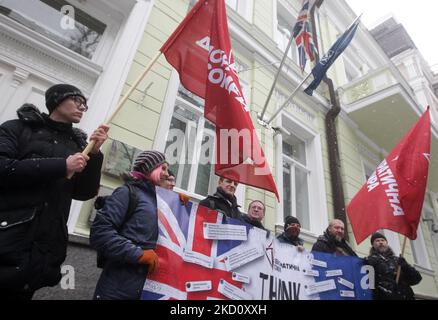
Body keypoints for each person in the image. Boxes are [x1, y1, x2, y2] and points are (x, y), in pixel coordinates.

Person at [0, 84, 108, 299]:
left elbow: (83, 192)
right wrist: (62, 166)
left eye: (85, 105)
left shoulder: (79, 145)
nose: (82, 107)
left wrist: (94, 154)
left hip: (44, 246)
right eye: (77, 100)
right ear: (57, 100)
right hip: (8, 239)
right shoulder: (18, 128)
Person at [90, 150, 168, 300]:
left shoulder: (159, 201)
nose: (166, 173)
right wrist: (139, 254)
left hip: (146, 289)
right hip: (118, 288)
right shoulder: (126, 193)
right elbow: (100, 233)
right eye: (163, 168)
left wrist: (181, 207)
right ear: (150, 168)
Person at [367, 232, 422, 300]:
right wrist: (388, 290)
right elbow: (370, 285)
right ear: (373, 244)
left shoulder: (398, 260)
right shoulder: (370, 261)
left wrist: (406, 267)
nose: (380, 242)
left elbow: (416, 279)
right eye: (377, 241)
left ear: (386, 243)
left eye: (382, 240)